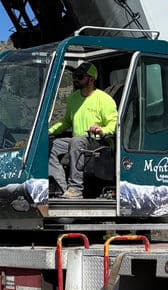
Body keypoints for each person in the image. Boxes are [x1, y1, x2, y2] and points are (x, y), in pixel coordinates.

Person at [48, 62, 117, 198]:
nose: (75, 80)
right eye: (74, 76)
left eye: (80, 77)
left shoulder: (104, 99)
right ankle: (63, 189)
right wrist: (49, 131)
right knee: (51, 146)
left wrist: (101, 130)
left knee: (77, 141)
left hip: (99, 142)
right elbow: (67, 121)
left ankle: (76, 188)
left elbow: (114, 124)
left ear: (91, 79)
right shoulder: (73, 98)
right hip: (78, 141)